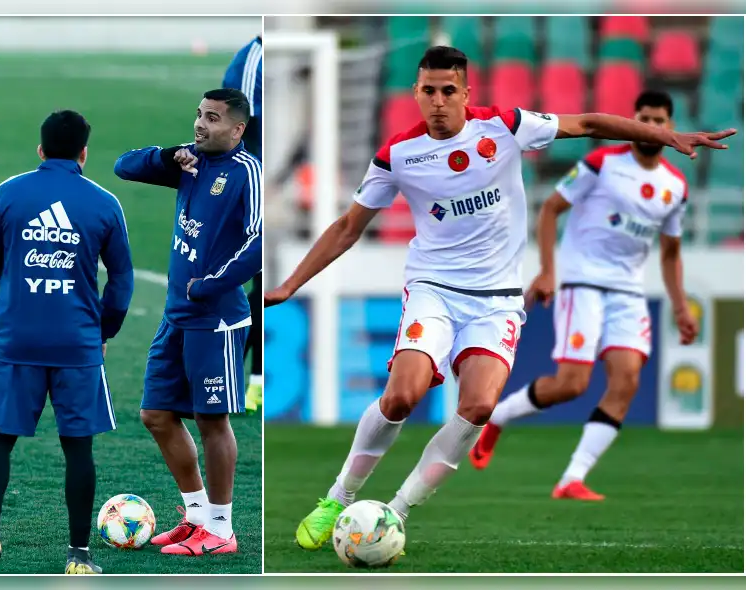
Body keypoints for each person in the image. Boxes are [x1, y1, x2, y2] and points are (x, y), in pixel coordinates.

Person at [263, 46, 734, 550]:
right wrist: (291, 284)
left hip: (498, 300)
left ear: (466, 93)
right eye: (429, 91)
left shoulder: (505, 127)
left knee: (479, 406)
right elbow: (347, 227)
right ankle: (338, 497)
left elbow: (588, 123)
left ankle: (394, 514)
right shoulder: (397, 155)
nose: (438, 101)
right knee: (401, 396)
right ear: (415, 94)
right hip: (434, 290)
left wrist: (665, 137)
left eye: (449, 91)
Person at [470, 90, 701, 499]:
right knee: (572, 384)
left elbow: (670, 253)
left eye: (659, 120)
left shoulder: (675, 186)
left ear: (670, 126)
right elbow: (550, 209)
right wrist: (548, 270)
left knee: (626, 381)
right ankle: (499, 418)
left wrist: (681, 308)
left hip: (628, 291)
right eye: (644, 118)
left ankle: (571, 478)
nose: (651, 126)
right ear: (634, 120)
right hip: (583, 282)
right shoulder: (602, 163)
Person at [0, 110, 134, 575]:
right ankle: (79, 556)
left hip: (18, 340)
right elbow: (122, 280)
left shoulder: (9, 192)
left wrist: (16, 300)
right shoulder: (104, 203)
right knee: (78, 448)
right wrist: (105, 330)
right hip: (77, 344)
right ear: (84, 153)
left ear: (40, 149)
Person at [113, 88, 262, 556]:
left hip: (215, 319)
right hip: (175, 314)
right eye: (199, 114)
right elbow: (123, 166)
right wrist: (167, 156)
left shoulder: (246, 172)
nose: (200, 124)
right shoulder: (190, 160)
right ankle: (196, 516)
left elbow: (260, 242)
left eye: (213, 118)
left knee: (211, 421)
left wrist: (210, 284)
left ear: (237, 129)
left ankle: (221, 529)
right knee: (156, 415)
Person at [222, 34, 264, 414]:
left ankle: (253, 382)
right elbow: (238, 126)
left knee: (263, 286)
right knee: (239, 281)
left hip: (269, 184)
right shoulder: (255, 58)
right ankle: (232, 373)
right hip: (249, 187)